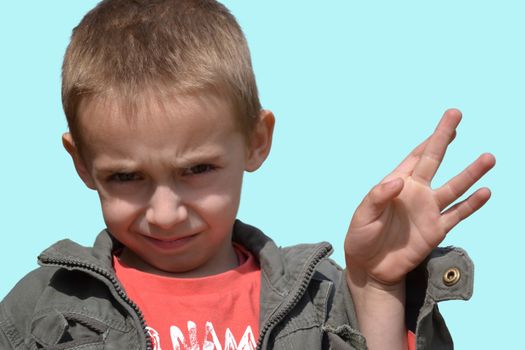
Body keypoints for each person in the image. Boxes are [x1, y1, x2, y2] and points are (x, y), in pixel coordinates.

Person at [0, 1, 495, 349]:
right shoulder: (43, 308)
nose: (166, 213)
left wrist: (380, 287)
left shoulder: (320, 302)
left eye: (197, 169)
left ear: (257, 140)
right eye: (126, 178)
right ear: (82, 163)